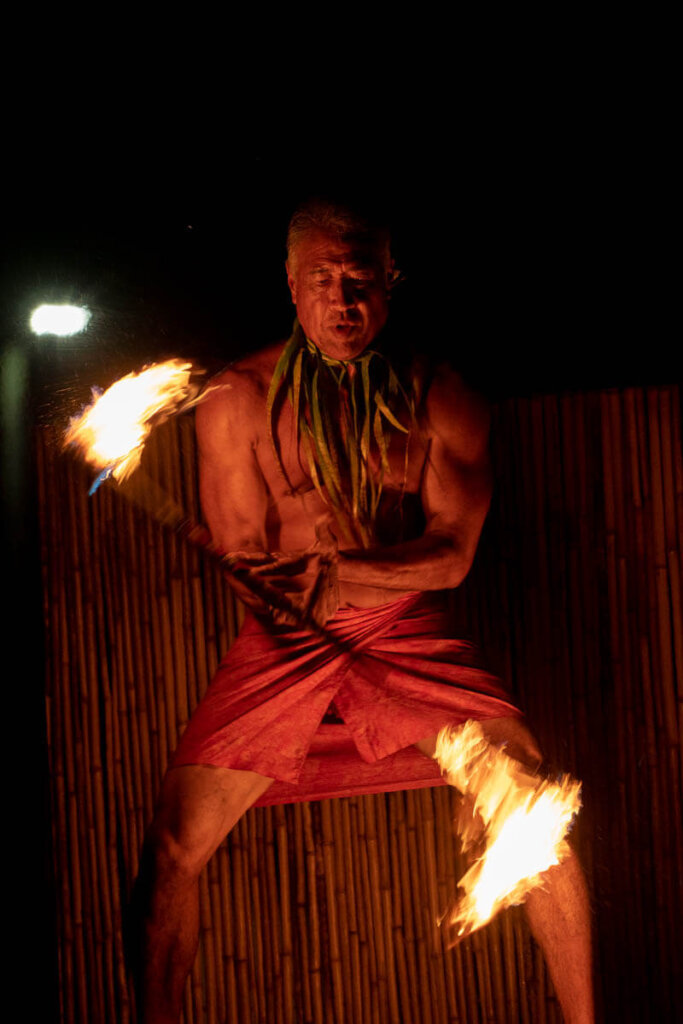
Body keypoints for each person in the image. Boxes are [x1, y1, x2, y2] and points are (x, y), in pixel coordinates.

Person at [130, 199, 595, 1024]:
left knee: (535, 807)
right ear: (290, 284)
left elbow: (450, 556)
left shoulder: (440, 395)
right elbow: (244, 557)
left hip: (398, 625)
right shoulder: (235, 398)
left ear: (390, 280)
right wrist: (273, 589)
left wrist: (339, 575)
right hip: (282, 644)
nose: (343, 302)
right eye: (322, 280)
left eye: (360, 279)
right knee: (169, 851)